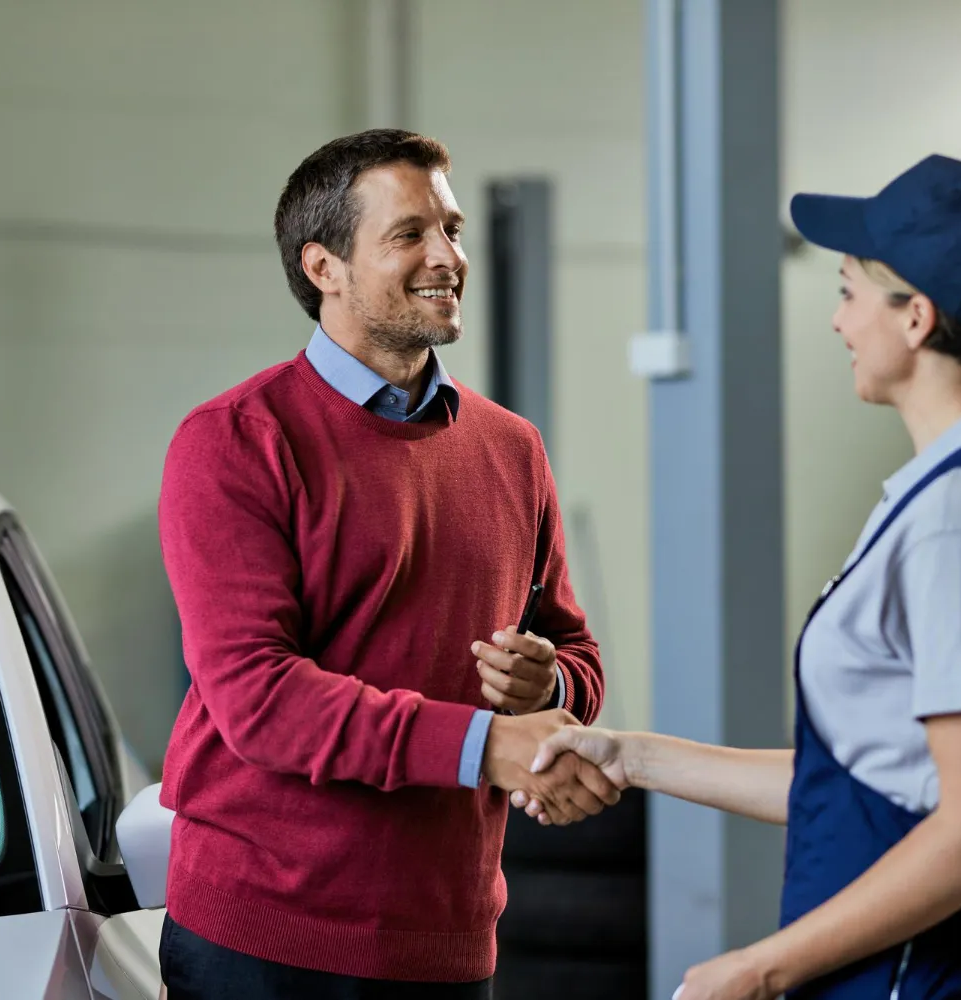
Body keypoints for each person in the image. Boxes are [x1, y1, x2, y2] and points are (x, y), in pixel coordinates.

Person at [520, 154, 961, 1000]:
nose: (837, 321)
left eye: (850, 290)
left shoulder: (960, 524)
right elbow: (861, 785)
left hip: (924, 983)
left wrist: (756, 969)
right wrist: (631, 755)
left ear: (917, 319)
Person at [155, 128, 618, 1000]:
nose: (447, 255)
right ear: (324, 267)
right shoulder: (236, 442)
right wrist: (486, 745)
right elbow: (257, 695)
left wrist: (544, 688)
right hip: (264, 943)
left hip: (446, 938)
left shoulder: (512, 449)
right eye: (409, 233)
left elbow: (576, 654)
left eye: (451, 227)